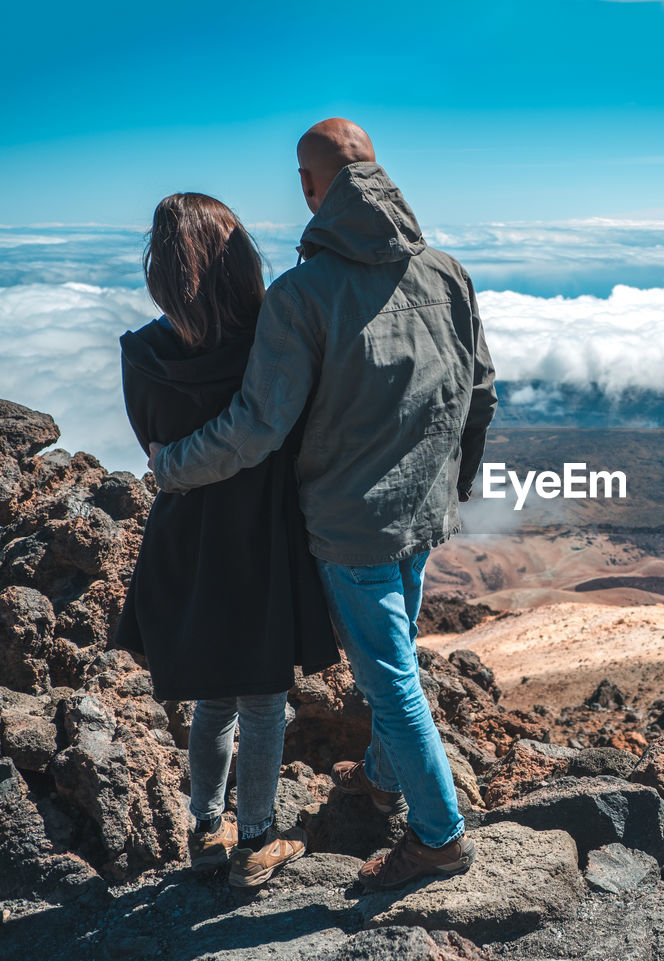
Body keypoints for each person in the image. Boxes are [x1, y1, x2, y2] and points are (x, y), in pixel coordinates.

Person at [149, 118, 498, 890]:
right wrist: (456, 482)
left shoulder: (303, 294)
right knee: (398, 658)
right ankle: (382, 777)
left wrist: (172, 464)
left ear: (312, 188)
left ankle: (438, 835)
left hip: (353, 528)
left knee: (388, 679)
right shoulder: (448, 272)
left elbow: (256, 427)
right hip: (423, 514)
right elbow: (480, 394)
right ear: (376, 170)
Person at [116, 192, 340, 888]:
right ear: (240, 264)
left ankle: (206, 827)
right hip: (263, 535)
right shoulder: (267, 342)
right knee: (263, 693)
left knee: (215, 694)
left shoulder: (144, 354)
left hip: (187, 538)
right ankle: (259, 839)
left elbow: (153, 445)